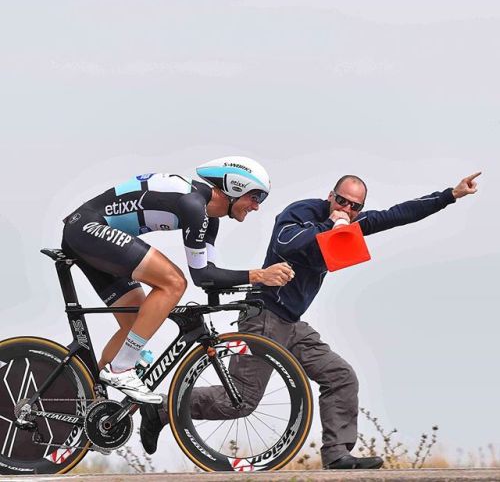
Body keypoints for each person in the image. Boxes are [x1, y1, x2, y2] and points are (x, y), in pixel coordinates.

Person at [139, 171, 481, 469]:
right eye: (342, 201)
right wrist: (330, 225)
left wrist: (450, 195)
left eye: (354, 207)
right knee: (240, 401)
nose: (347, 210)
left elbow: (397, 214)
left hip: (292, 323)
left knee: (340, 376)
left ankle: (337, 454)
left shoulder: (352, 222)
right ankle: (163, 410)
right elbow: (286, 242)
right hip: (264, 316)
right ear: (331, 196)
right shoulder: (303, 212)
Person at [61, 156, 294, 404]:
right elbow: (200, 275)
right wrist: (259, 274)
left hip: (92, 236)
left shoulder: (208, 219)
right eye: (255, 197)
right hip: (87, 227)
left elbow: (208, 277)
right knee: (173, 282)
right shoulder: (193, 205)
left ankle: (90, 401)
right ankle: (121, 370)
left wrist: (256, 282)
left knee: (140, 321)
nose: (257, 206)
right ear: (235, 188)